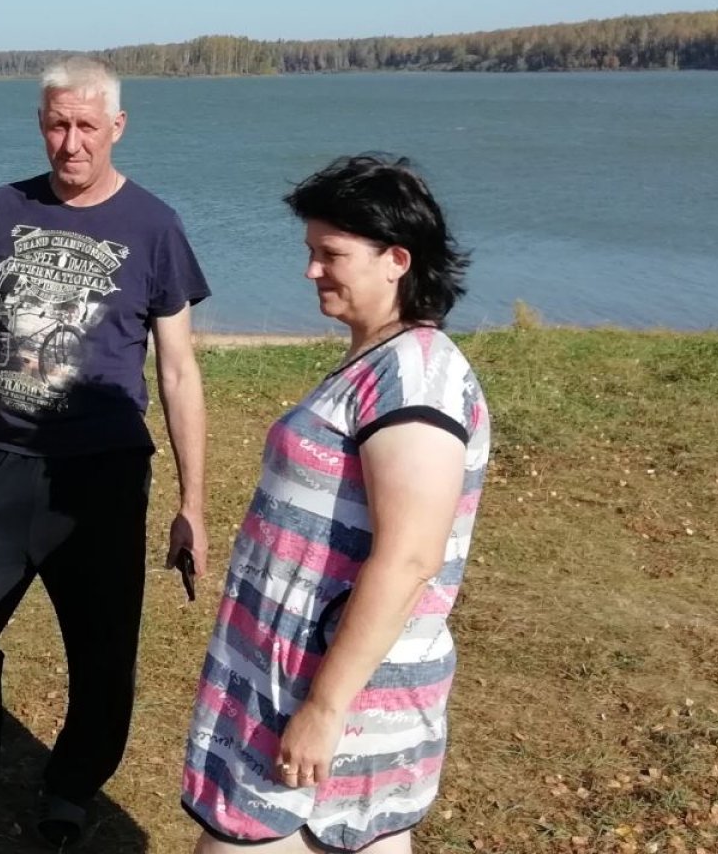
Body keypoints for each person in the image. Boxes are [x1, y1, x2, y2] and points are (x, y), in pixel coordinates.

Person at [0, 56, 211, 846]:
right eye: (58, 125)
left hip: (100, 473)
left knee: (102, 649)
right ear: (40, 124)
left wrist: (192, 503)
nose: (72, 143)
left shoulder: (155, 226)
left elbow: (177, 369)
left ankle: (70, 789)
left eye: (87, 126)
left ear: (117, 127)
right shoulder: (0, 209)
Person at [181, 155, 490, 853]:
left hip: (340, 699)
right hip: (297, 679)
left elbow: (410, 557)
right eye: (310, 251)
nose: (311, 270)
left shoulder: (416, 379)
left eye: (331, 254)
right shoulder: (380, 362)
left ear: (396, 260)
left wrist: (324, 707)